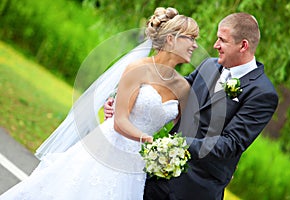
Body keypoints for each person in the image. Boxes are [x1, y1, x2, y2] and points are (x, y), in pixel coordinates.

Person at [0, 7, 199, 200]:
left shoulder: (183, 88)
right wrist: (150, 142)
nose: (195, 45)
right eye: (190, 38)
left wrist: (167, 153)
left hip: (137, 165)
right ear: (171, 39)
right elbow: (120, 121)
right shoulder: (138, 69)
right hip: (109, 149)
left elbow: (179, 132)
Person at [104, 12, 278, 199]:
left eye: (222, 40)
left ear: (243, 45)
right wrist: (122, 99)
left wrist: (176, 144)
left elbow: (230, 144)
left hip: (197, 188)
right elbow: (167, 91)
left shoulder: (263, 93)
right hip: (156, 176)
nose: (215, 45)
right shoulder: (208, 65)